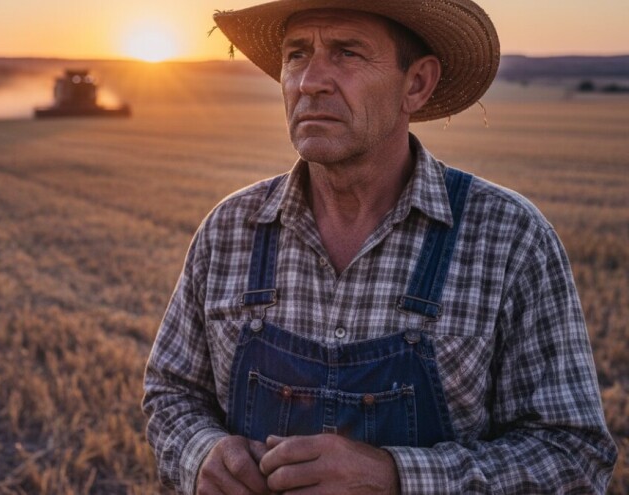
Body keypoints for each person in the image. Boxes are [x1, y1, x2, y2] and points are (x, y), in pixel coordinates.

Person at [142, 0, 618, 493]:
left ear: (416, 84)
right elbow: (171, 393)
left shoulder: (510, 240)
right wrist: (202, 454)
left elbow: (573, 452)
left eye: (347, 53)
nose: (310, 82)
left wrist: (397, 479)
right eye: (297, 54)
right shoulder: (229, 230)